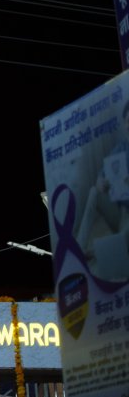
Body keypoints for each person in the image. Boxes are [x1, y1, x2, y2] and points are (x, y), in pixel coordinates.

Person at [74, 101, 129, 278]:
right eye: (128, 121)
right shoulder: (121, 148)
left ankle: (103, 252)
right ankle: (79, 249)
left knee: (120, 249)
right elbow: (101, 175)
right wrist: (101, 182)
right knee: (93, 192)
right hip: (121, 211)